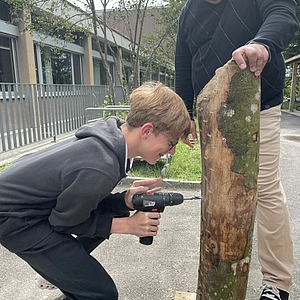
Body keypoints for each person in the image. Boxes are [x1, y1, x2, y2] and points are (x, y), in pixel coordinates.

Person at [0, 82, 191, 300]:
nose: (172, 150)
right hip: (17, 220)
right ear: (146, 130)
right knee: (101, 294)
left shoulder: (112, 137)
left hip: (34, 205)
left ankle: (58, 271)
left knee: (115, 213)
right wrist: (128, 226)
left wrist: (125, 201)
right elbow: (64, 222)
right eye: (171, 142)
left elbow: (82, 203)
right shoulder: (100, 166)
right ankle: (57, 270)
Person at [175, 1, 299, 300]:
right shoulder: (190, 10)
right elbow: (182, 60)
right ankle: (217, 268)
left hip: (259, 104)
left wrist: (262, 44)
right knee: (217, 189)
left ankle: (277, 282)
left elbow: (284, 14)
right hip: (211, 109)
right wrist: (183, 113)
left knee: (265, 188)